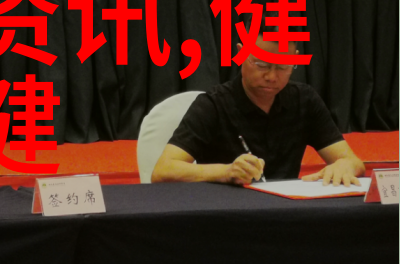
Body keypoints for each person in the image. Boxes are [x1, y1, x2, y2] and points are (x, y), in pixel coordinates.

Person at [152, 34, 364, 185]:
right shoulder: (213, 105)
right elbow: (162, 171)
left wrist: (345, 166)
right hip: (225, 214)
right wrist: (226, 171)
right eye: (262, 64)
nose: (271, 76)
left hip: (287, 214)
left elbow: (353, 162)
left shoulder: (304, 100)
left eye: (283, 66)